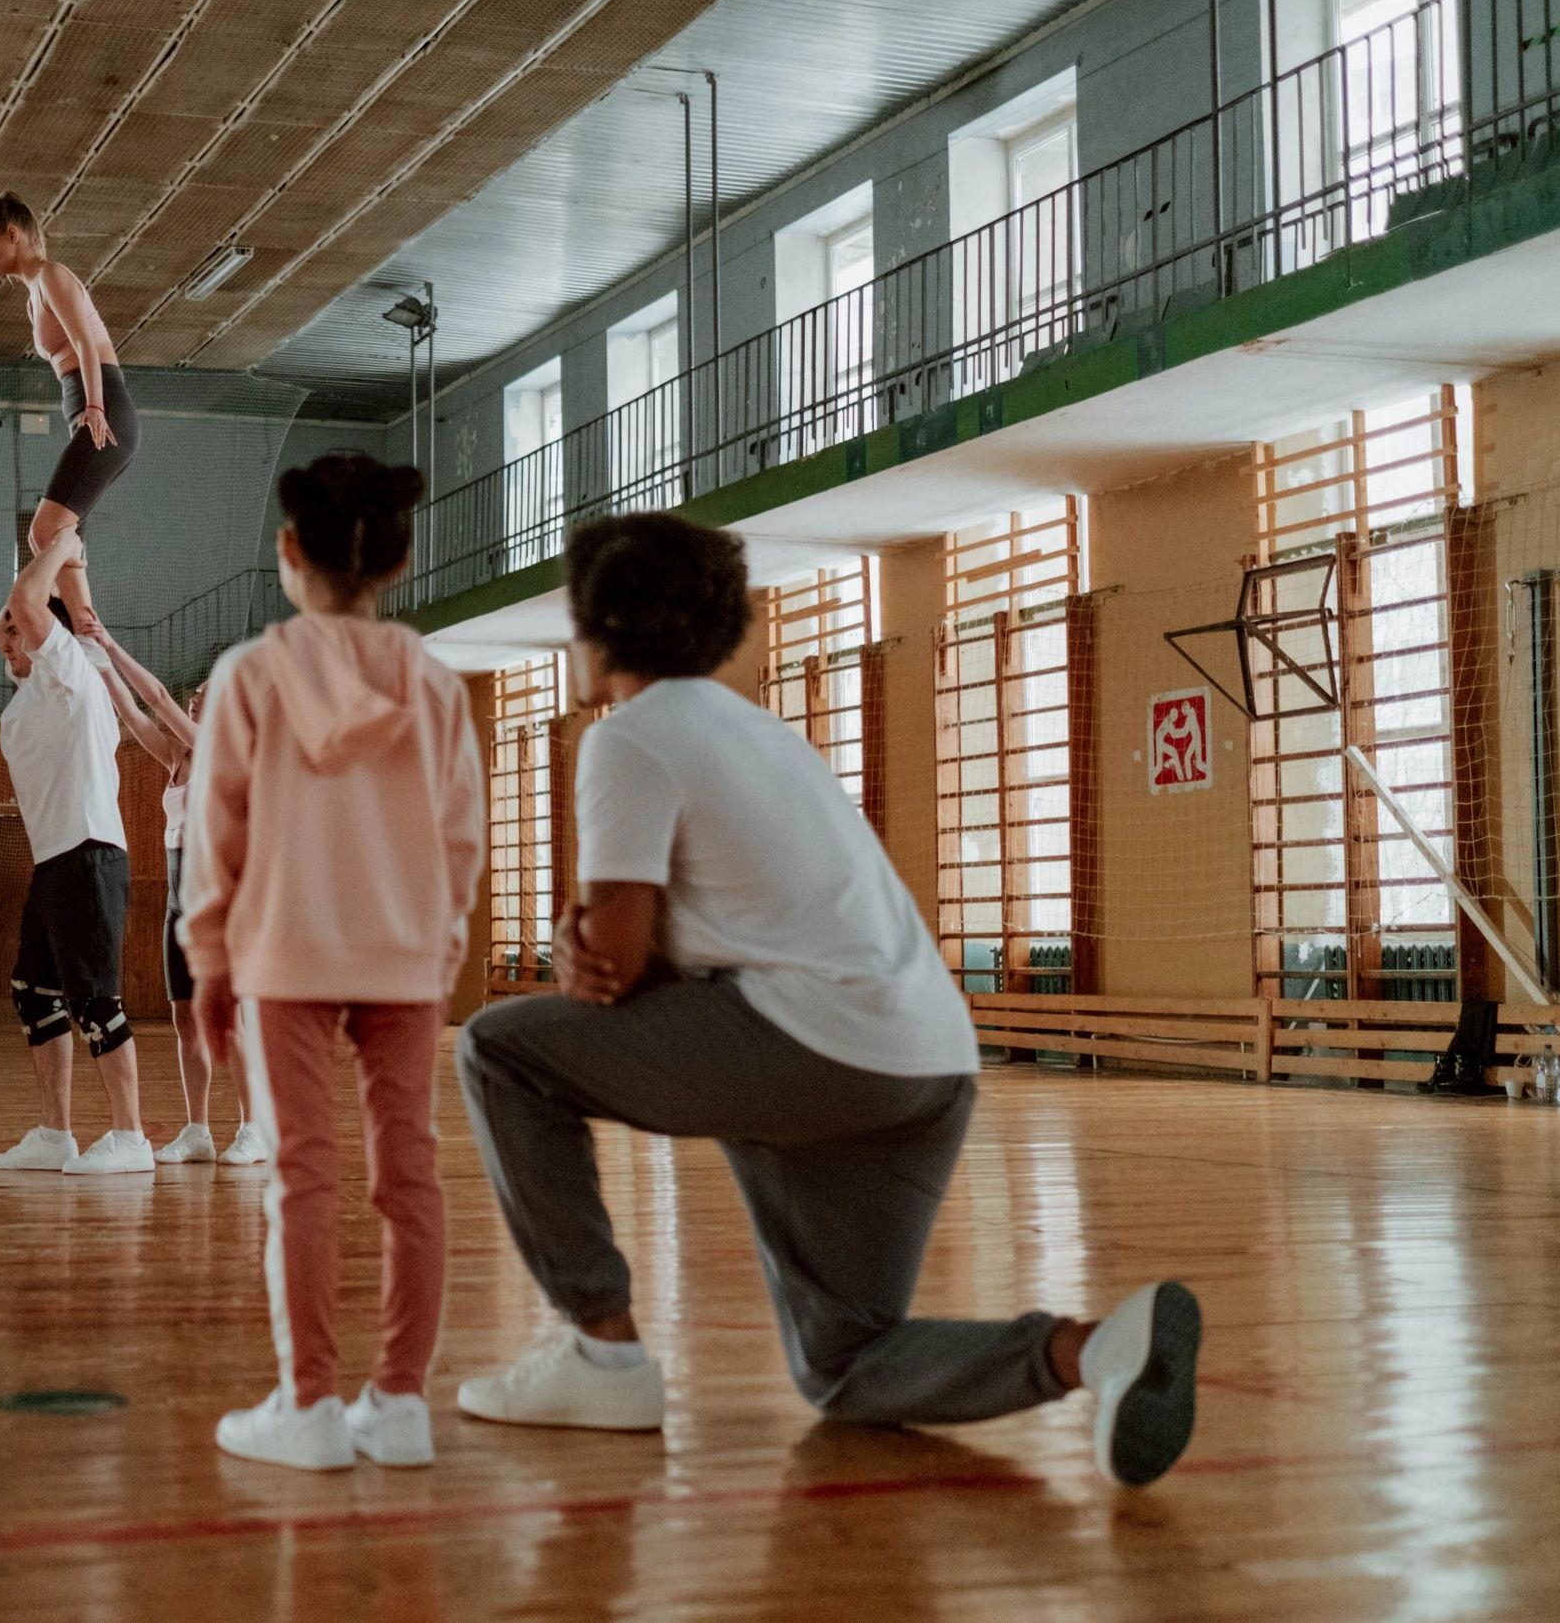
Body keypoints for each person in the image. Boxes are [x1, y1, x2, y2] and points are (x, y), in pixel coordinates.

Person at [451, 512, 1201, 1490]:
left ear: (607, 621)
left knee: (498, 1049)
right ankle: (1097, 1350)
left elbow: (615, 968)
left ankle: (603, 1352)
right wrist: (608, 942)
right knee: (843, 1364)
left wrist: (571, 937)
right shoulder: (769, 734)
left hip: (810, 1046)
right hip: (926, 1062)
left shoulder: (629, 738)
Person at [183, 453, 484, 1472]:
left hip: (285, 953)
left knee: (300, 1176)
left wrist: (210, 963)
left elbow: (215, 836)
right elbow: (460, 842)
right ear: (398, 558)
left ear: (287, 551)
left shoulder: (250, 674)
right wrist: (436, 953)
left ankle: (306, 1405)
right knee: (412, 1171)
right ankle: (400, 1403)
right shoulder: (437, 684)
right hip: (403, 958)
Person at [0, 530, 153, 1174]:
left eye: (15, 623)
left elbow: (32, 599)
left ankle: (131, 1137)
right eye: (1, 627)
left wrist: (62, 540)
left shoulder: (72, 672)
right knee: (34, 991)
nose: (7, 629)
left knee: (95, 999)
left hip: (90, 852)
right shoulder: (24, 703)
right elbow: (45, 609)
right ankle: (55, 1133)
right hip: (54, 861)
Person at [81, 619, 265, 1167]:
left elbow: (156, 698)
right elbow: (137, 716)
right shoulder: (178, 758)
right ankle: (198, 1129)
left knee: (230, 1021)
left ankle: (254, 1128)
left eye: (208, 690)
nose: (197, 693)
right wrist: (101, 668)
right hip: (178, 900)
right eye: (197, 691)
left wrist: (110, 643)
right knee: (185, 1018)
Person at [0, 193, 137, 636]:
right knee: (51, 533)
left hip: (105, 409)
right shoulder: (32, 297)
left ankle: (86, 632)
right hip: (87, 408)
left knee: (46, 533)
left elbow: (84, 343)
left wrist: (95, 408)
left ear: (13, 234)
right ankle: (83, 628)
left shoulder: (52, 275)